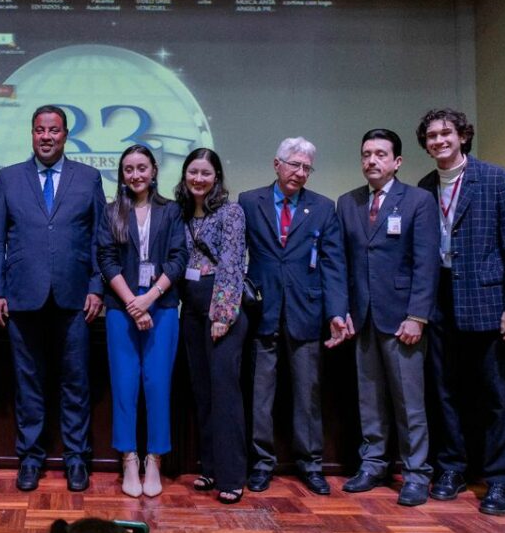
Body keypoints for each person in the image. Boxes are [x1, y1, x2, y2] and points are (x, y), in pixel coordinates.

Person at [0, 105, 106, 492]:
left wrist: (97, 287)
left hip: (75, 300)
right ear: (32, 134)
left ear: (66, 135)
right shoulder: (8, 178)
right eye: (40, 130)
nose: (47, 136)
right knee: (29, 382)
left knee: (76, 383)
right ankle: (31, 458)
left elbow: (99, 240)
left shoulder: (88, 178)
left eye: (54, 130)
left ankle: (76, 459)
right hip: (22, 299)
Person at [415, 108, 505, 516]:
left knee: (496, 395)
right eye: (430, 135)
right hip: (440, 298)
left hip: (486, 299)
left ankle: (499, 480)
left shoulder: (496, 179)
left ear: (463, 136)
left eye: (446, 133)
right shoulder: (426, 186)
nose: (438, 141)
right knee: (444, 391)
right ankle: (451, 469)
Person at [334, 129, 440, 507]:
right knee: (370, 399)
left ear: (397, 162)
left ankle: (415, 474)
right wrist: (342, 310)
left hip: (403, 319)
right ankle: (374, 463)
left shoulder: (418, 200)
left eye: (381, 154)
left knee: (410, 402)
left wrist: (417, 316)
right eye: (366, 154)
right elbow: (342, 263)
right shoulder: (348, 203)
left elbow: (427, 264)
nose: (371, 161)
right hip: (362, 317)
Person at [238, 137, 348, 496]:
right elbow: (235, 257)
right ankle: (261, 463)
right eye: (294, 165)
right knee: (261, 394)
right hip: (263, 311)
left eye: (306, 168)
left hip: (307, 312)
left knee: (308, 394)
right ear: (276, 164)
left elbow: (333, 265)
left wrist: (336, 312)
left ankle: (311, 464)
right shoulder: (249, 202)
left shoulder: (322, 207)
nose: (300, 173)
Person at [96, 144, 187, 498]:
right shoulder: (111, 212)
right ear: (121, 174)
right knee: (124, 386)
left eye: (141, 168)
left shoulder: (172, 211)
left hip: (162, 308)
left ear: (153, 171)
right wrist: (132, 302)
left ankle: (155, 459)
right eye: (128, 169)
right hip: (121, 309)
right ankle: (129, 459)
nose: (135, 175)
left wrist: (149, 299)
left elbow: (178, 259)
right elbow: (106, 259)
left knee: (158, 385)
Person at [176, 148, 249, 504]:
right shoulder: (182, 212)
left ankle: (232, 475)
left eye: (206, 173)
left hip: (222, 308)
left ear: (217, 177)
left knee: (224, 393)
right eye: (193, 172)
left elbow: (233, 263)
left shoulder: (231, 212)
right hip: (189, 307)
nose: (198, 179)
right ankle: (209, 466)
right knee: (202, 392)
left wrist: (222, 315)